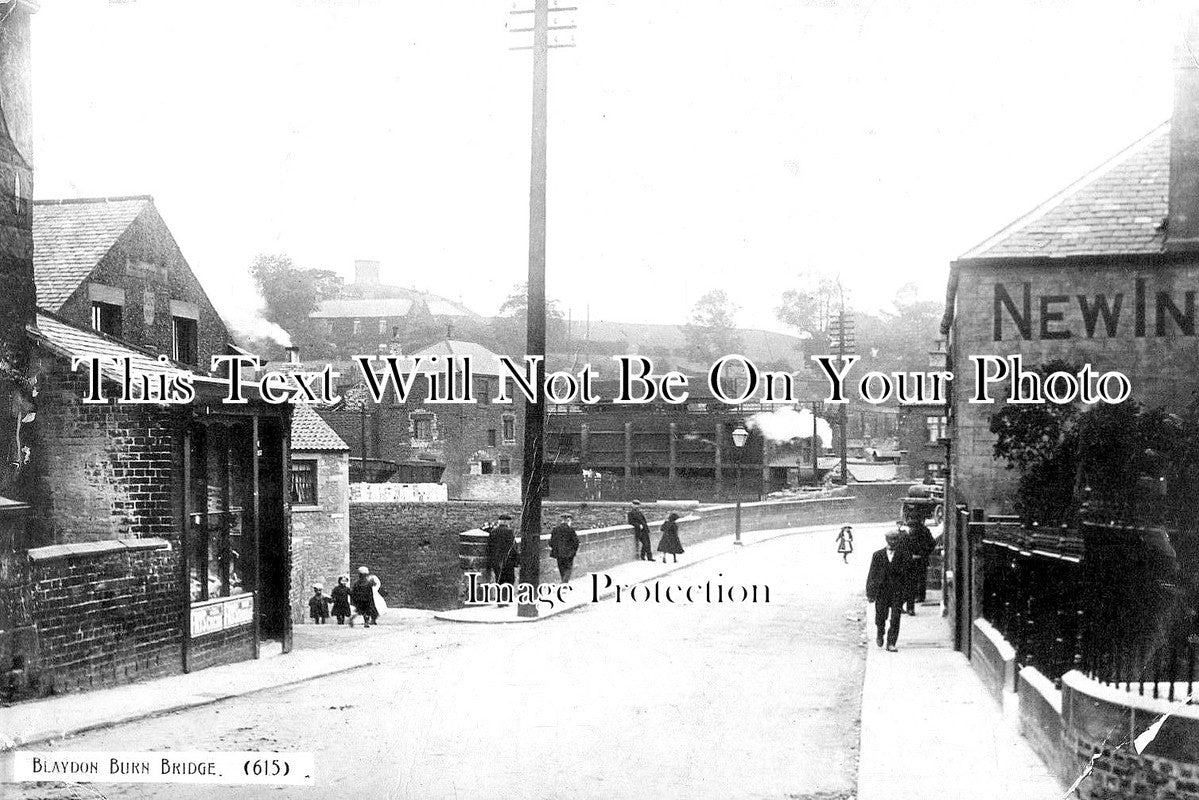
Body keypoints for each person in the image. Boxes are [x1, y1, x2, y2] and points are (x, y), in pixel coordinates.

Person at [866, 529, 913, 652]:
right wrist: (870, 593)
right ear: (886, 540)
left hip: (897, 591)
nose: (893, 541)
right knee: (881, 616)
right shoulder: (877, 555)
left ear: (899, 540)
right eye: (891, 539)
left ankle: (891, 642)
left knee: (896, 617)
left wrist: (908, 594)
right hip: (882, 591)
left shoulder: (905, 555)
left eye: (896, 539)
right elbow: (872, 574)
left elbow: (909, 575)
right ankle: (880, 633)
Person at [904, 518, 937, 615]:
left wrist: (925, 553)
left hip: (921, 558)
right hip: (912, 559)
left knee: (921, 577)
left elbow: (932, 543)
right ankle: (916, 596)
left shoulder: (924, 532)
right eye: (910, 527)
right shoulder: (909, 534)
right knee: (914, 579)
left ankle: (920, 596)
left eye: (912, 527)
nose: (911, 529)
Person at [486, 513, 520, 604]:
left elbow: (489, 547)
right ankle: (505, 599)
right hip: (507, 561)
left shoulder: (493, 531)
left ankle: (500, 599)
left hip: (496, 561)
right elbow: (513, 547)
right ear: (505, 522)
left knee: (499, 579)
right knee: (509, 580)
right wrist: (516, 561)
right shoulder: (509, 531)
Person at [548, 512, 580, 583]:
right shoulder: (571, 530)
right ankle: (564, 582)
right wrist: (573, 551)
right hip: (569, 554)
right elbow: (576, 542)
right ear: (568, 520)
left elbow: (551, 542)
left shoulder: (555, 530)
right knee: (568, 568)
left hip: (559, 554)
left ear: (561, 520)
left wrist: (556, 549)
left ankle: (563, 581)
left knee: (561, 568)